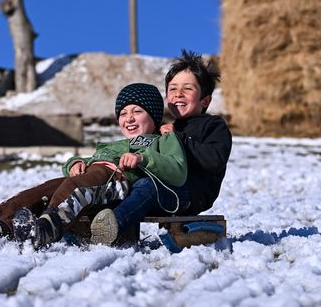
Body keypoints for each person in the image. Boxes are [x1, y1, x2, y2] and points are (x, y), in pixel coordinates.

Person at [0, 83, 188, 249]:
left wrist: (143, 159)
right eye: (123, 113)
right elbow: (88, 162)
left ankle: (46, 228)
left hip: (118, 181)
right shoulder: (114, 144)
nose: (129, 118)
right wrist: (76, 163)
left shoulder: (162, 139)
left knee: (78, 187)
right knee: (41, 190)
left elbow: (177, 169)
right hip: (92, 175)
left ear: (154, 116)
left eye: (137, 111)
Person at [88, 50, 233, 245]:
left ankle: (112, 225)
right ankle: (83, 222)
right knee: (123, 184)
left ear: (205, 100)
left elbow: (214, 159)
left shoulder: (212, 126)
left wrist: (177, 139)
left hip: (190, 195)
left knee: (147, 187)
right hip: (161, 189)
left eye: (187, 89)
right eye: (172, 89)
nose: (178, 94)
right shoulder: (166, 128)